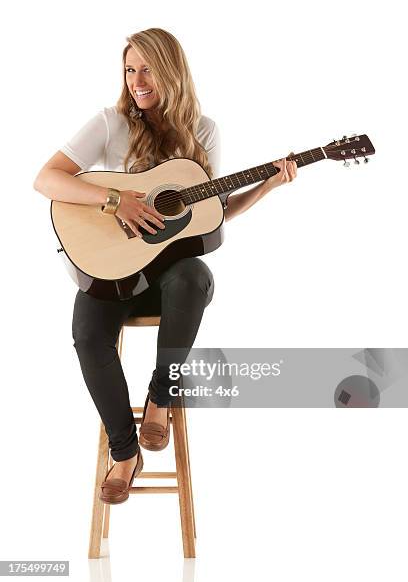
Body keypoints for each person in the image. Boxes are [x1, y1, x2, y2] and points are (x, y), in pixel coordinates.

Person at [33, 27, 297, 504]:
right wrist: (115, 200)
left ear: (171, 69)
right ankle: (124, 452)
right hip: (112, 269)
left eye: (147, 68)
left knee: (196, 275)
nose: (137, 80)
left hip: (169, 277)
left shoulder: (205, 132)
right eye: (130, 69)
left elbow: (208, 215)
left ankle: (162, 395)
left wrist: (266, 187)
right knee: (87, 334)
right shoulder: (110, 123)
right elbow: (47, 179)